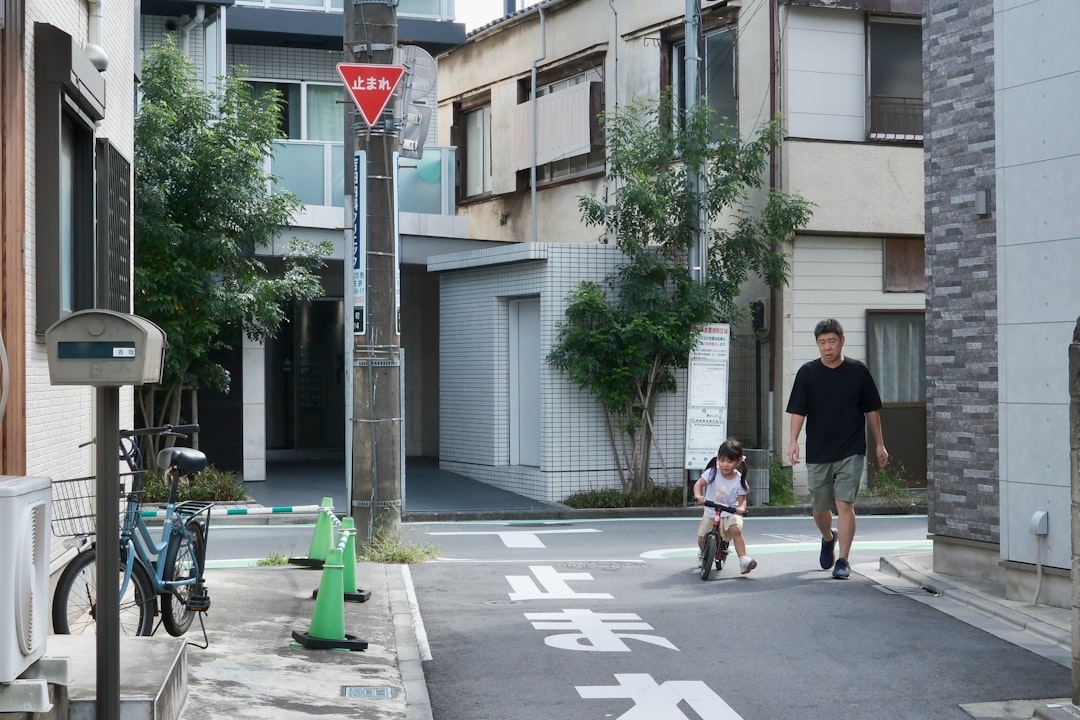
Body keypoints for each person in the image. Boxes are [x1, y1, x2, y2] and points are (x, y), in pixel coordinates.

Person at [786, 318, 889, 580]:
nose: (827, 347)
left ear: (842, 341)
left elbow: (872, 410)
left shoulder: (858, 371)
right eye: (822, 342)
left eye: (832, 341)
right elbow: (798, 410)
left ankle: (843, 560)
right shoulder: (807, 373)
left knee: (845, 503)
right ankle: (828, 537)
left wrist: (879, 444)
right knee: (820, 508)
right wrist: (793, 441)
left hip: (851, 448)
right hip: (819, 449)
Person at [693, 437, 757, 575]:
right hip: (711, 510)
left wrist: (741, 508)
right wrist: (699, 496)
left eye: (729, 461)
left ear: (738, 462)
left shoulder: (739, 479)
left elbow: (742, 500)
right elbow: (699, 484)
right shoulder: (713, 472)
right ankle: (703, 552)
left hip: (730, 511)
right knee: (701, 539)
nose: (725, 465)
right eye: (722, 460)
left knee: (736, 530)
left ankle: (743, 560)